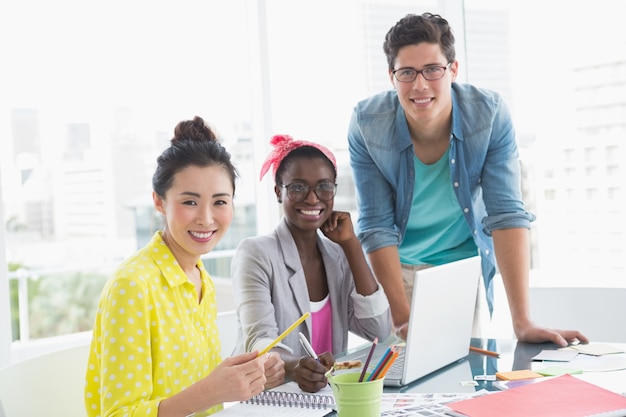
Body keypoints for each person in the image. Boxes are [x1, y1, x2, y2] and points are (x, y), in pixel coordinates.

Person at [347, 12, 588, 347]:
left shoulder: (488, 115)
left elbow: (506, 214)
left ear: (453, 70)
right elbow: (376, 225)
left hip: (455, 269)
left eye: (432, 70)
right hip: (392, 266)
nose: (420, 85)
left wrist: (522, 322)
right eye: (407, 73)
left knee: (455, 380)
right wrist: (401, 318)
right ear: (392, 76)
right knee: (395, 386)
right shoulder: (366, 123)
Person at [84, 116, 269, 417]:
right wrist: (213, 391)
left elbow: (194, 383)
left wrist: (246, 374)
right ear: (159, 202)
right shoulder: (133, 285)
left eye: (220, 202)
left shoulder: (199, 277)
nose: (207, 219)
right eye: (190, 202)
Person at [231, 134, 391, 393]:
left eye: (324, 186)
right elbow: (259, 341)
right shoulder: (256, 253)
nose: (313, 198)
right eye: (298, 187)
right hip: (273, 400)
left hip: (326, 399)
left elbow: (379, 330)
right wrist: (296, 367)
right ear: (278, 192)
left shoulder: (338, 255)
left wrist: (352, 246)